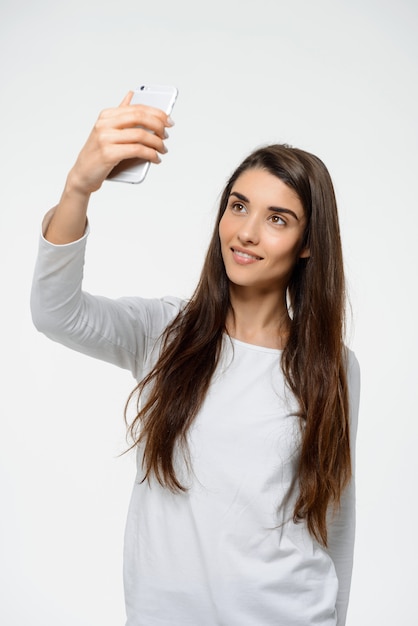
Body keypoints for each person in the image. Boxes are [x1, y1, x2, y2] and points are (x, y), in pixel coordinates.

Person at [31, 92, 360, 626]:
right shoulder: (165, 333)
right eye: (238, 205)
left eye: (278, 218)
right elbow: (55, 313)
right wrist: (79, 187)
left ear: (307, 243)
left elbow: (335, 520)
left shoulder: (332, 365)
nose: (246, 232)